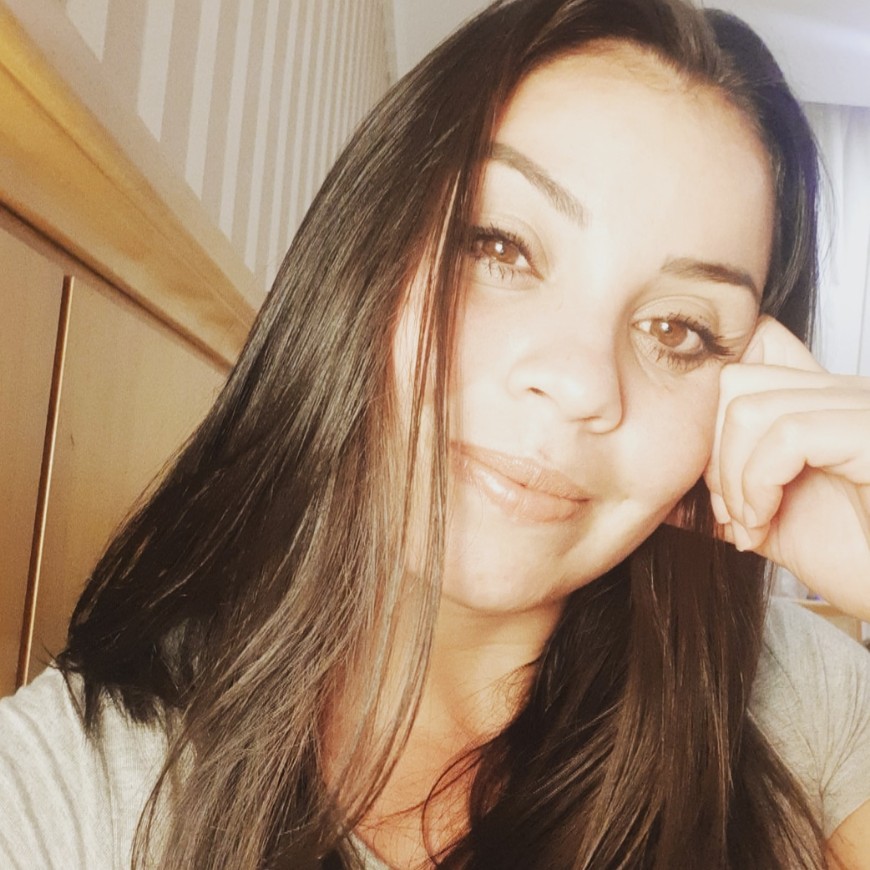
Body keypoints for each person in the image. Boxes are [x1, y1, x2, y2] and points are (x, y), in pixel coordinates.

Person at [2, 0, 869, 867]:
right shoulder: (74, 786)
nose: (580, 383)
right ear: (363, 253)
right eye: (500, 248)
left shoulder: (799, 699)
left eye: (679, 330)